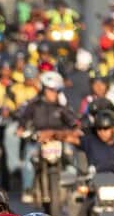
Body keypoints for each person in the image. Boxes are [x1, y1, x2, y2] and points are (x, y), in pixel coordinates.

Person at [14, 71, 81, 204]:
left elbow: (73, 121)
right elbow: (23, 120)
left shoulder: (62, 107)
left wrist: (75, 128)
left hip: (59, 139)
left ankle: (75, 187)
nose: (53, 93)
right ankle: (28, 189)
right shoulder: (33, 105)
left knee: (71, 156)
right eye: (51, 90)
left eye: (57, 90)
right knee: (29, 158)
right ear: (43, 89)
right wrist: (21, 129)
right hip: (38, 140)